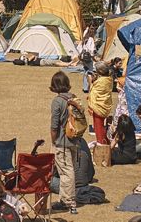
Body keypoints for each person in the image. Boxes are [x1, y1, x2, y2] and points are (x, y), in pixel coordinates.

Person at [47, 71, 78, 215]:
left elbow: (54, 125)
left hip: (62, 142)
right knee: (69, 170)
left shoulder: (58, 101)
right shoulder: (73, 98)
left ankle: (67, 201)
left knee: (66, 172)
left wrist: (53, 141)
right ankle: (68, 199)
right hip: (73, 140)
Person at [86, 66, 115, 145]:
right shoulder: (109, 79)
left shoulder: (100, 81)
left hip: (98, 106)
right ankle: (106, 143)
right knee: (102, 127)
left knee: (99, 129)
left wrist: (90, 82)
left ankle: (101, 145)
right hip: (105, 104)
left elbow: (94, 92)